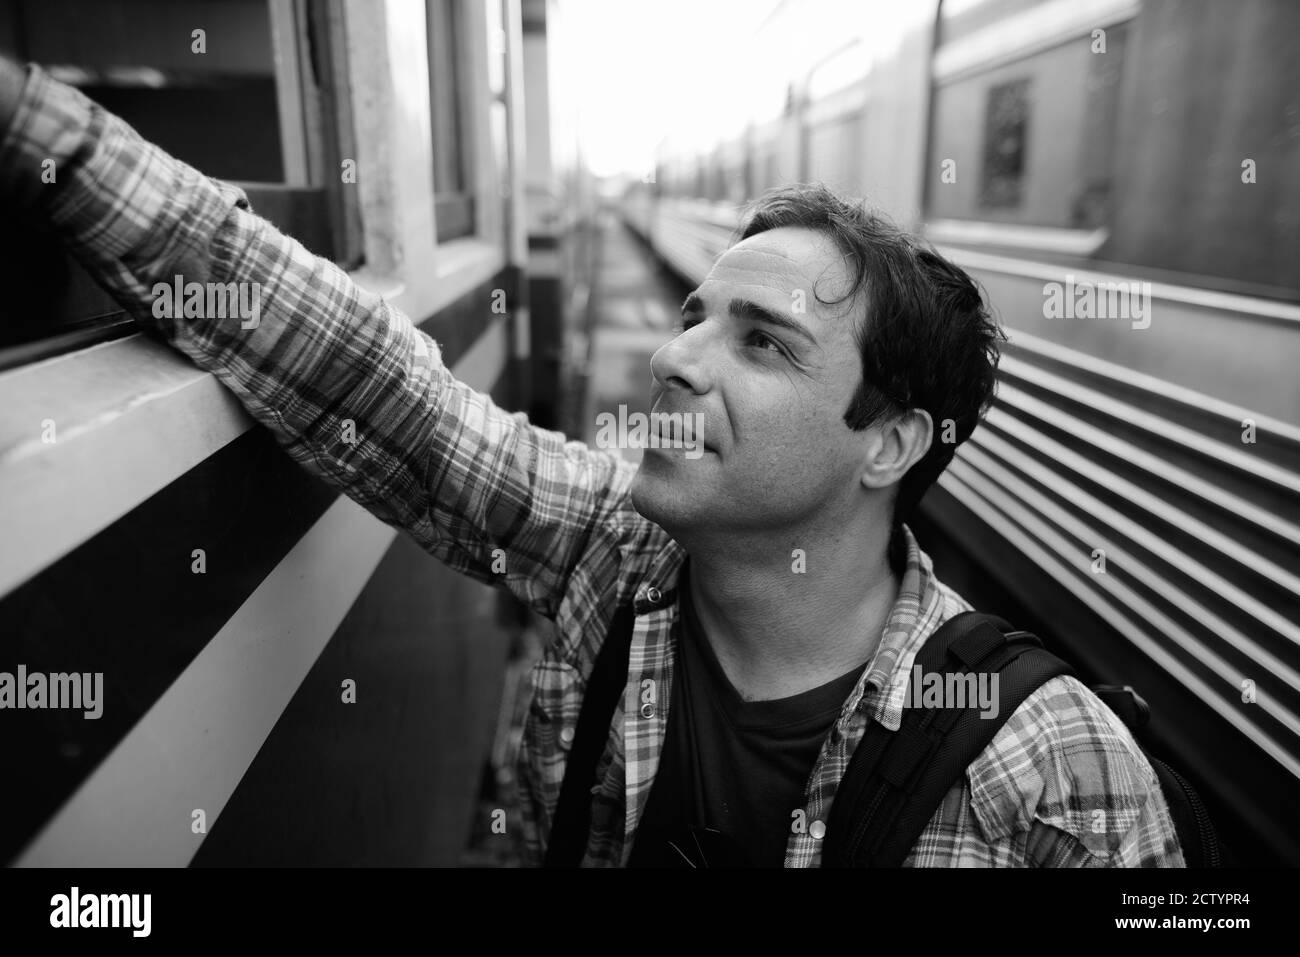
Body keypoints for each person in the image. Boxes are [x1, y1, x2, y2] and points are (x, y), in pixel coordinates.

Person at [0, 58, 1184, 867]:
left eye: (761, 344)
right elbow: (371, 381)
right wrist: (44, 137)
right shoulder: (613, 554)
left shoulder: (1054, 768)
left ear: (887, 443)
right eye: (692, 316)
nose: (676, 361)